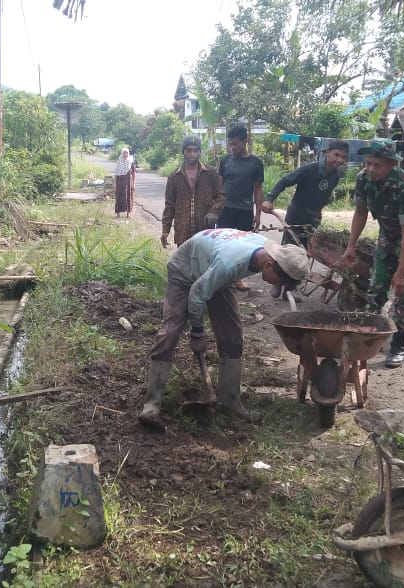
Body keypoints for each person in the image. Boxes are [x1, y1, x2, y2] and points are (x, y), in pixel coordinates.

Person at [139, 228, 309, 428]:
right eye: (280, 282)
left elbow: (214, 279)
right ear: (269, 265)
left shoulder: (262, 253)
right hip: (185, 272)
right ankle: (151, 404)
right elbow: (196, 294)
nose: (279, 287)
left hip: (215, 273)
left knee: (232, 336)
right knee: (170, 333)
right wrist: (197, 333)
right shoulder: (230, 264)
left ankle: (229, 400)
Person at [343, 139, 404, 368]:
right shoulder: (364, 178)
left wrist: (402, 273)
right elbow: (360, 212)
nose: (371, 169)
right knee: (376, 287)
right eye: (369, 163)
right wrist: (351, 246)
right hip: (388, 232)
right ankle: (370, 337)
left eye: (378, 165)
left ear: (392, 164)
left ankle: (399, 346)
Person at [261, 140, 349, 300]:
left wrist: (316, 216)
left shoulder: (336, 175)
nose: (340, 160)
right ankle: (277, 282)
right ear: (327, 152)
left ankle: (290, 289)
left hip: (313, 220)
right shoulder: (310, 170)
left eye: (343, 157)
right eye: (336, 155)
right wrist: (270, 199)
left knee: (304, 254)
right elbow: (284, 181)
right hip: (296, 216)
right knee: (288, 251)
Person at [217, 125, 265, 290]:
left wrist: (258, 214)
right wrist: (215, 207)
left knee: (242, 247)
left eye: (235, 144)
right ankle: (222, 277)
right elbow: (220, 186)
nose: (232, 147)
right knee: (223, 244)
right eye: (230, 144)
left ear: (245, 141)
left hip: (245, 211)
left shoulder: (256, 163)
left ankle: (238, 279)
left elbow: (258, 190)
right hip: (226, 210)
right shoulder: (226, 161)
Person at [161, 136, 225, 248]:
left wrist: (213, 212)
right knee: (184, 264)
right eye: (188, 150)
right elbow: (169, 205)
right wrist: (165, 230)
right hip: (182, 232)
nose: (192, 154)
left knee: (204, 263)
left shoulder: (210, 173)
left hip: (205, 232)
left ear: (199, 152)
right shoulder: (174, 176)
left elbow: (221, 196)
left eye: (196, 150)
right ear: (183, 151)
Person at [113, 147, 135, 218]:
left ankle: (128, 214)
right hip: (120, 183)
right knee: (119, 197)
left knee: (128, 197)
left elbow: (133, 174)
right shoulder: (119, 162)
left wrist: (134, 184)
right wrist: (115, 184)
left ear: (128, 154)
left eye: (127, 153)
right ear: (122, 154)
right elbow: (116, 174)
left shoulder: (130, 162)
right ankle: (118, 214)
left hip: (128, 183)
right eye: (124, 153)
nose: (125, 154)